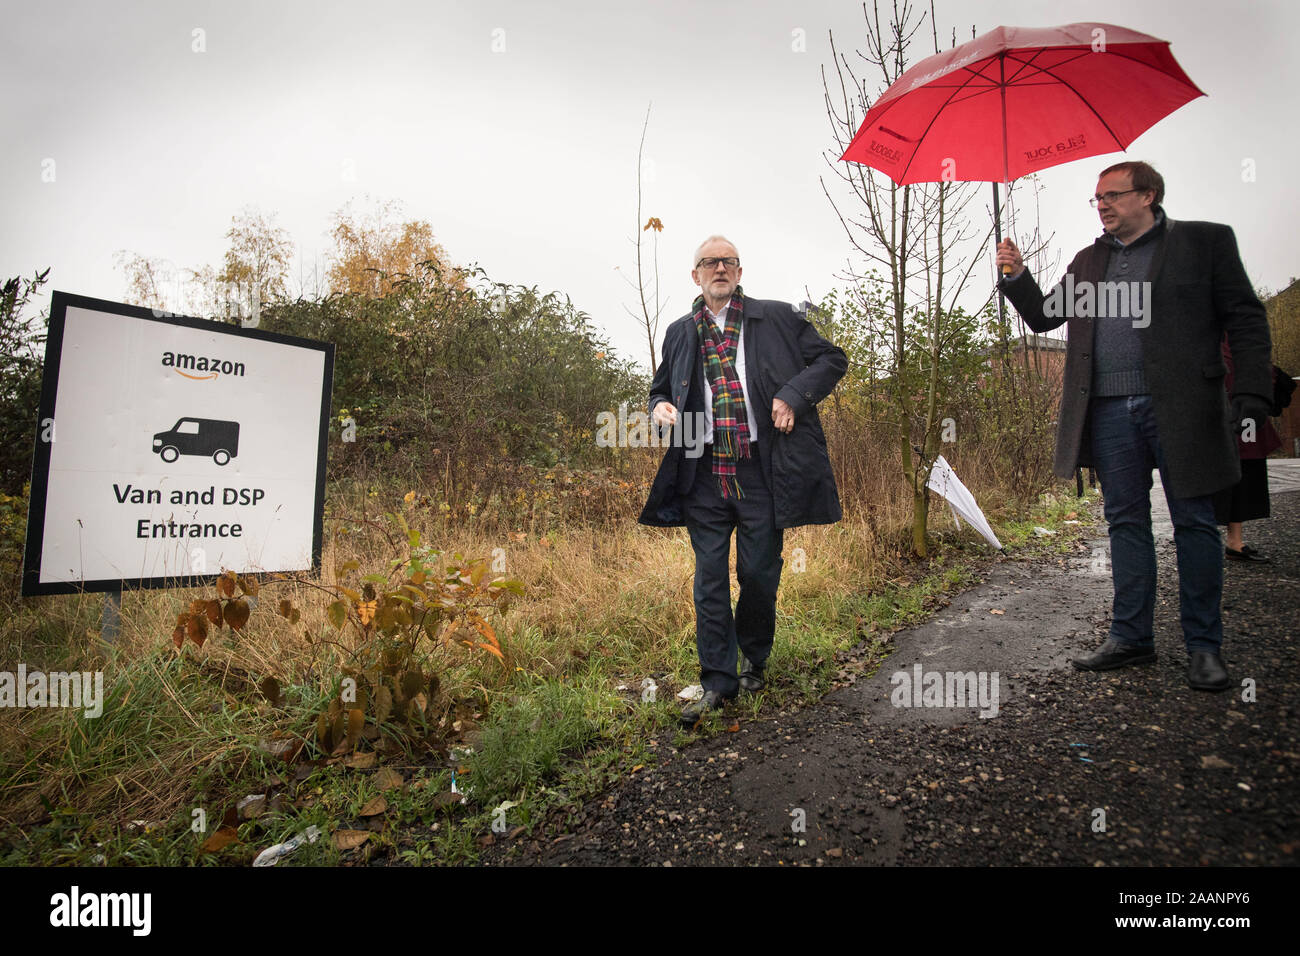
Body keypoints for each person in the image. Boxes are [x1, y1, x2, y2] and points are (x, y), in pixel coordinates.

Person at [995, 161, 1272, 692]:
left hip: (1182, 408)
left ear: (1148, 195)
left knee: (1193, 521)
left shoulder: (1202, 244)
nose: (1101, 204)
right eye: (1096, 198)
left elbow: (1246, 317)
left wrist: (1253, 393)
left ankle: (1204, 648)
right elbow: (1047, 316)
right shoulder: (1088, 260)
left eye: (1112, 195)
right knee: (1125, 522)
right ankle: (1131, 638)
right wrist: (1017, 276)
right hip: (1107, 410)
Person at [638, 235, 847, 724]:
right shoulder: (679, 332)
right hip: (703, 471)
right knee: (709, 577)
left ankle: (755, 653)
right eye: (710, 263)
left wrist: (794, 394)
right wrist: (659, 407)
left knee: (757, 572)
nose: (720, 268)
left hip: (761, 468)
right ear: (695, 275)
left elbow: (831, 359)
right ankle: (718, 680)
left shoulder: (773, 317)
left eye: (728, 262)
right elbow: (661, 389)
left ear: (738, 271)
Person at [1215, 339, 1282, 562]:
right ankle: (1227, 541)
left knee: (1245, 469)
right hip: (1224, 415)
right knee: (1230, 474)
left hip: (1244, 417)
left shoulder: (1237, 335)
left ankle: (1235, 540)